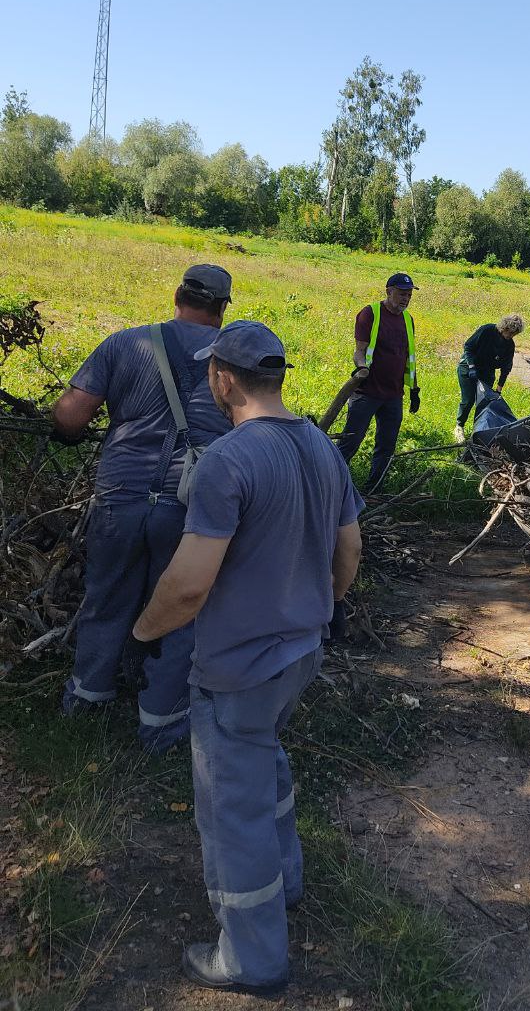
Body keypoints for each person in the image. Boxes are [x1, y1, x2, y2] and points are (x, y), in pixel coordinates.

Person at [126, 319, 363, 995]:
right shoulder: (321, 446)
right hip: (301, 653)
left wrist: (143, 632)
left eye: (212, 373)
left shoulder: (229, 460)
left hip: (239, 667)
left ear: (224, 380)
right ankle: (285, 880)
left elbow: (188, 585)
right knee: (266, 759)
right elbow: (349, 550)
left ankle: (252, 959)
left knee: (232, 808)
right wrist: (322, 605)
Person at [53, 264, 233, 750]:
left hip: (121, 495)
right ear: (221, 309)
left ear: (177, 295)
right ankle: (161, 718)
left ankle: (87, 695)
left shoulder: (124, 344)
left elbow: (72, 415)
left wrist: (63, 425)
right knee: (179, 608)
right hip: (190, 504)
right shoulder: (232, 360)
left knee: (107, 595)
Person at [337, 272, 420, 492]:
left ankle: (374, 490)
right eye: (402, 294)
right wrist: (361, 368)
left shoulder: (408, 320)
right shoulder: (370, 313)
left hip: (393, 395)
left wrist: (414, 389)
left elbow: (409, 357)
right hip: (367, 392)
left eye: (409, 295)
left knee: (386, 447)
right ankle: (330, 483)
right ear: (389, 291)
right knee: (350, 441)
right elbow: (359, 351)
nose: (406, 299)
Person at [453, 313, 525, 443]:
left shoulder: (509, 345)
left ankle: (478, 432)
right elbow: (468, 347)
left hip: (487, 371)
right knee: (468, 400)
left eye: (514, 334)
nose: (511, 336)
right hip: (468, 366)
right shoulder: (487, 330)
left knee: (485, 402)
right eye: (510, 332)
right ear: (504, 327)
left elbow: (506, 368)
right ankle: (459, 426)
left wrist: (499, 389)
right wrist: (471, 367)